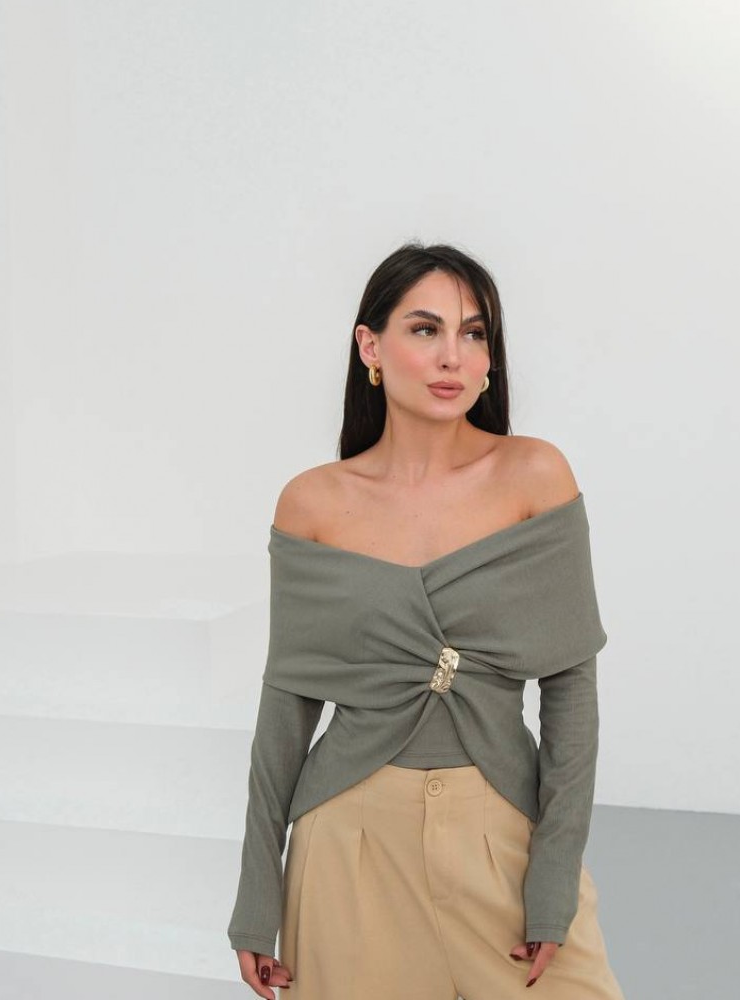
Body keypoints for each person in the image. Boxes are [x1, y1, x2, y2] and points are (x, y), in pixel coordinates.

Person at [228, 242, 625, 999]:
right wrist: (256, 899)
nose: (452, 357)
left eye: (473, 334)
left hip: (500, 833)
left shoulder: (535, 476)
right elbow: (286, 708)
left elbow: (572, 692)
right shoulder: (312, 504)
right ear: (370, 347)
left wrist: (553, 879)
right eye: (424, 329)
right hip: (348, 847)